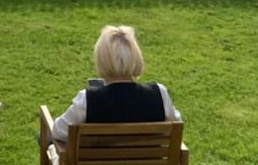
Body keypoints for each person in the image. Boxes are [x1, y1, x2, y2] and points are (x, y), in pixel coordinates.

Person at [50, 24, 180, 143]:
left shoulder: (87, 100)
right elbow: (177, 125)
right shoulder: (159, 94)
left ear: (101, 59)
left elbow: (58, 132)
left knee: (48, 141)